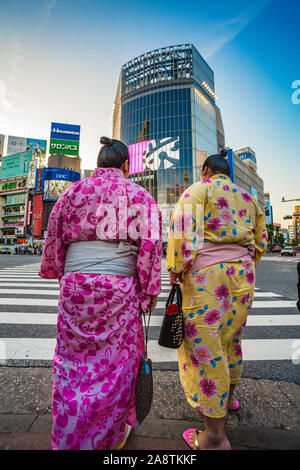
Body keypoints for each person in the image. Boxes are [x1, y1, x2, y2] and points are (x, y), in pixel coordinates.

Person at [39, 136, 162, 450]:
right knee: (113, 368)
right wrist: (148, 292)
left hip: (76, 286)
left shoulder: (72, 193)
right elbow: (151, 246)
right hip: (119, 291)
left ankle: (67, 437)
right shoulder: (140, 196)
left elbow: (54, 238)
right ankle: (106, 438)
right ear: (125, 166)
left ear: (98, 164)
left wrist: (64, 277)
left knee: (70, 364)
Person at [167, 149, 267, 450]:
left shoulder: (199, 190)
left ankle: (214, 437)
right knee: (231, 339)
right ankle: (229, 399)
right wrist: (242, 266)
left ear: (207, 171)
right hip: (243, 279)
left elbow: (182, 233)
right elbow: (261, 243)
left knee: (206, 349)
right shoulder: (250, 200)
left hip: (207, 280)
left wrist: (175, 268)